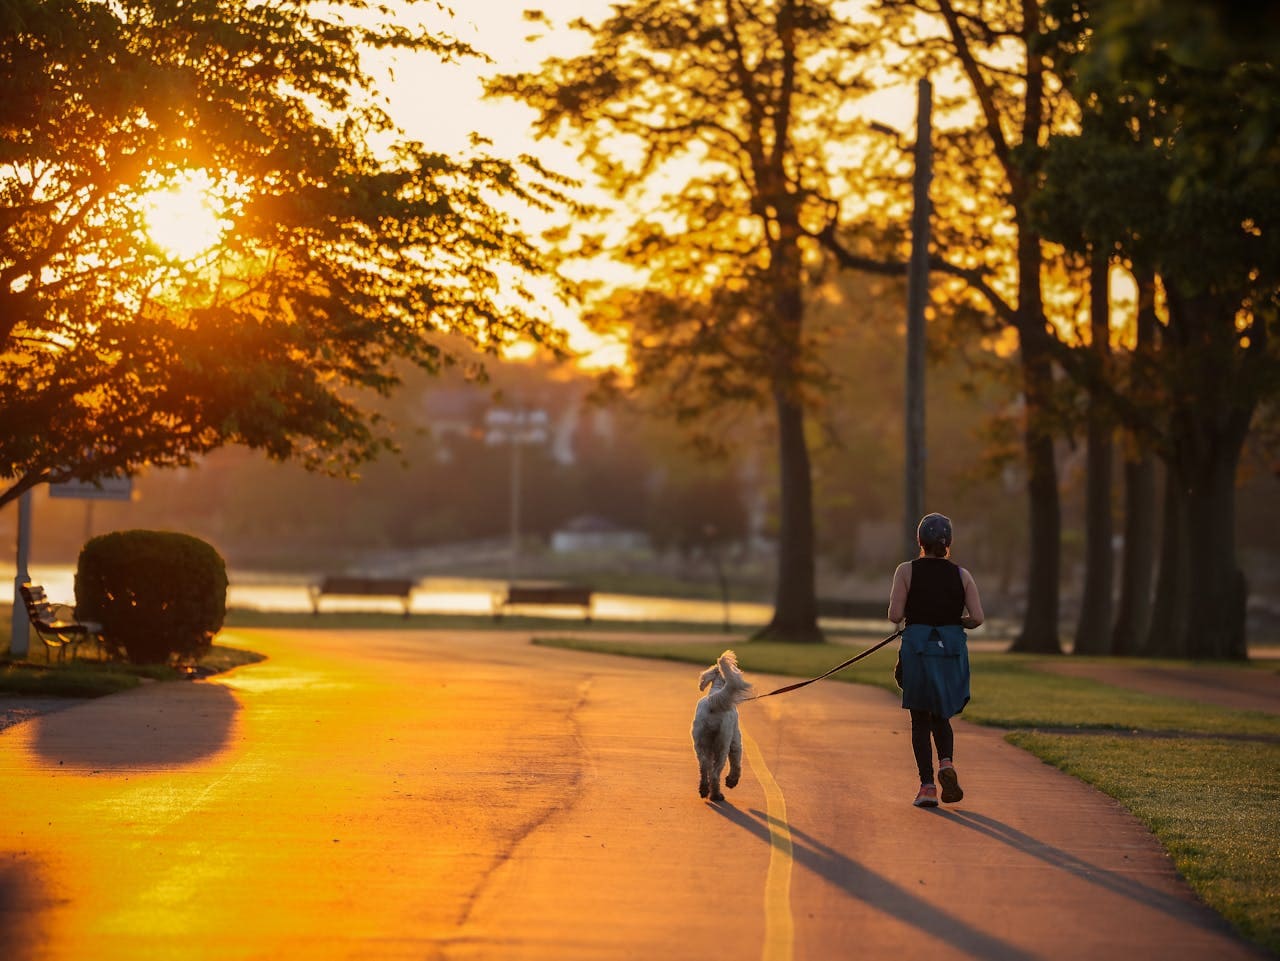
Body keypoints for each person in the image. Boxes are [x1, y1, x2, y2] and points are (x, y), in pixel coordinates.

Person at [887, 512, 985, 808]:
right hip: (949, 652)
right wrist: (956, 622)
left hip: (917, 650)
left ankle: (928, 786)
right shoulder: (962, 575)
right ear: (948, 543)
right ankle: (946, 763)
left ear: (920, 541)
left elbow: (894, 615)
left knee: (919, 717)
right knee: (941, 713)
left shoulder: (906, 570)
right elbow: (977, 618)